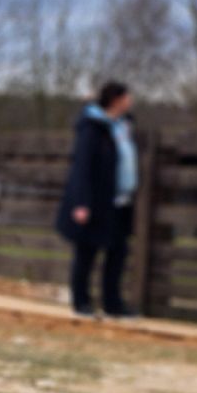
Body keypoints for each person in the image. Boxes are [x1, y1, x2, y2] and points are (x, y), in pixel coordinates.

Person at [55, 81, 139, 318]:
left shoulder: (123, 125)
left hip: (120, 200)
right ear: (116, 99)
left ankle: (113, 303)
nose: (130, 101)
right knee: (87, 252)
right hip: (96, 200)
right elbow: (82, 167)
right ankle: (81, 301)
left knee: (118, 252)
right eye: (127, 97)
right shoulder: (92, 129)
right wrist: (81, 203)